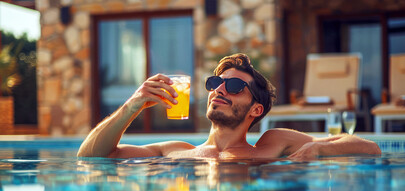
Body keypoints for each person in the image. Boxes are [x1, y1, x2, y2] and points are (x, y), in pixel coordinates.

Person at [77, 53, 381, 159]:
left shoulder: (272, 145)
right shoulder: (175, 151)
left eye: (234, 87)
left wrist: (319, 148)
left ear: (255, 110)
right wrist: (132, 105)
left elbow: (369, 148)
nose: (220, 89)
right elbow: (91, 156)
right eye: (215, 83)